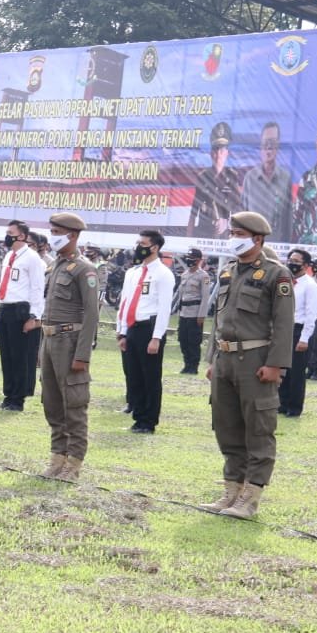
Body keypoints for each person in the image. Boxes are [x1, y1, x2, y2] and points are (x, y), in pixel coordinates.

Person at [201, 211, 294, 519]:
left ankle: (251, 497)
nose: (233, 239)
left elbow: (283, 325)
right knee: (227, 426)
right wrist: (213, 357)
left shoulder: (275, 274)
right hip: (225, 358)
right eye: (233, 233)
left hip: (255, 361)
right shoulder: (228, 271)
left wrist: (276, 365)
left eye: (239, 234)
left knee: (258, 428)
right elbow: (220, 320)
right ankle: (231, 490)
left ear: (257, 239)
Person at [39, 212, 99, 482]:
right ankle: (57, 457)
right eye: (51, 231)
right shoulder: (54, 267)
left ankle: (73, 462)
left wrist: (83, 355)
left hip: (70, 341)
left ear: (72, 235)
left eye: (57, 232)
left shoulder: (84, 269)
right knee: (52, 402)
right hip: (50, 339)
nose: (52, 237)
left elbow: (91, 314)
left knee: (73, 404)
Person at [116, 230, 176, 434]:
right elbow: (125, 303)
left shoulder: (163, 274)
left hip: (149, 329)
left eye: (142, 243)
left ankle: (149, 421)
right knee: (134, 376)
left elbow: (164, 308)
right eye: (137, 243)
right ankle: (138, 417)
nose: (138, 247)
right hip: (132, 328)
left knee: (150, 377)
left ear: (154, 247)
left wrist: (156, 337)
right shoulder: (132, 273)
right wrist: (122, 332)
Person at [0, 220, 45, 412]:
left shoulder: (32, 258)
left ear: (22, 236)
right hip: (5, 307)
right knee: (6, 355)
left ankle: (18, 398)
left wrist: (34, 316)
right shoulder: (9, 255)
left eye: (11, 232)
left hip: (21, 310)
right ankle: (8, 395)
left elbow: (37, 288)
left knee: (20, 356)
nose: (7, 236)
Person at [279, 249, 317, 418]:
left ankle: (294, 407)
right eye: (290, 259)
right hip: (283, 329)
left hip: (299, 330)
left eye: (296, 261)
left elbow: (311, 315)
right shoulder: (285, 282)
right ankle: (281, 403)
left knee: (296, 372)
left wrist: (304, 338)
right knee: (282, 369)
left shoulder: (311, 285)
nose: (292, 263)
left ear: (306, 265)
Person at [241, 122, 293, 243]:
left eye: (273, 143)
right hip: (252, 247)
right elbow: (243, 215)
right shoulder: (250, 178)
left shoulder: (285, 178)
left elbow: (288, 221)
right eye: (265, 143)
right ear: (260, 146)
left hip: (276, 250)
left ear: (278, 146)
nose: (268, 148)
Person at [187, 121, 240, 237]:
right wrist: (188, 240)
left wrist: (227, 223)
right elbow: (193, 213)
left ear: (227, 153)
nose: (218, 155)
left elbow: (239, 210)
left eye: (222, 151)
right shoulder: (203, 177)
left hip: (224, 237)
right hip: (203, 234)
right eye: (215, 150)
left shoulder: (232, 177)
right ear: (211, 153)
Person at [176, 249, 213, 374]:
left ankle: (193, 366)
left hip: (195, 313)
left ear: (198, 260)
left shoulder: (203, 276)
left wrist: (201, 315)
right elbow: (181, 295)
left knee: (193, 340)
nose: (189, 260)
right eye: (188, 257)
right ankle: (186, 364)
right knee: (183, 339)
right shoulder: (185, 274)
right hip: (184, 312)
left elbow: (205, 297)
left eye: (192, 258)